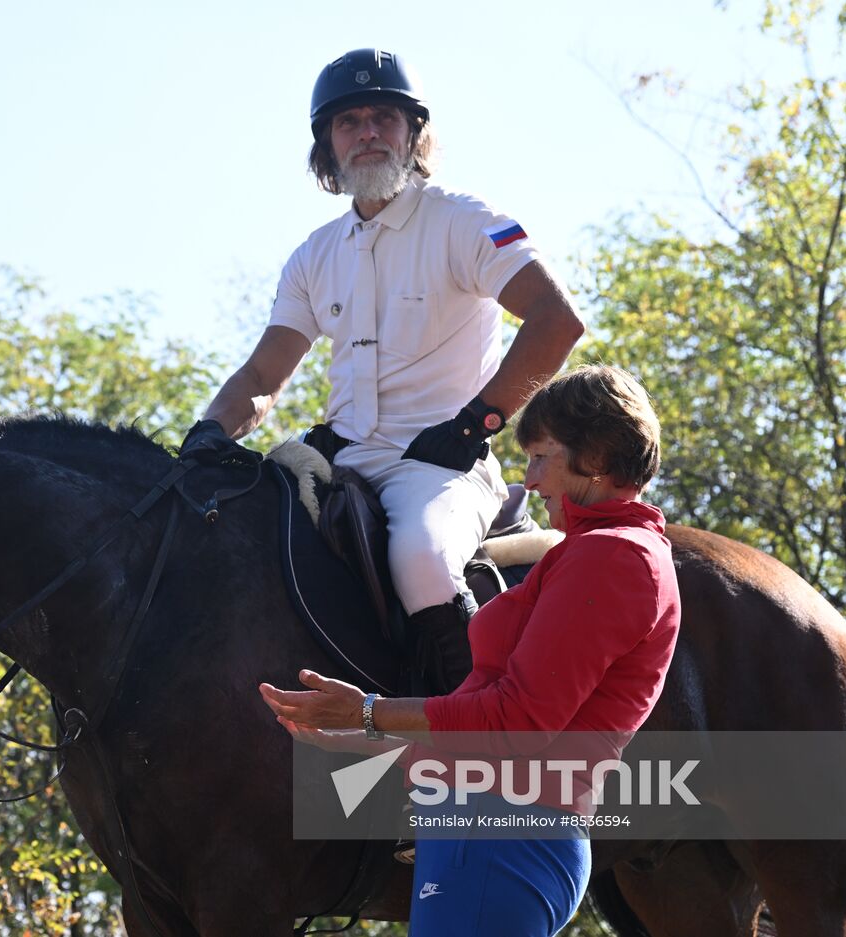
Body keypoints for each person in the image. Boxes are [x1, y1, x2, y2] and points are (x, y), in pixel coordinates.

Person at [178, 48, 585, 694]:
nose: (367, 132)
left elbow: (555, 319)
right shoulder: (313, 256)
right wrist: (209, 433)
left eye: (383, 118)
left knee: (420, 560)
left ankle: (471, 747)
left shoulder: (463, 219)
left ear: (414, 133)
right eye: (348, 122)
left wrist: (478, 420)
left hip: (441, 465)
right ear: (327, 148)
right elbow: (263, 372)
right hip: (340, 463)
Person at [259, 365, 682, 936]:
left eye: (541, 457)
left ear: (599, 457)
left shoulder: (613, 556)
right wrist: (354, 736)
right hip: (484, 836)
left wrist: (370, 711)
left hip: (501, 838)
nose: (528, 481)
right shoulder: (591, 552)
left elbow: (515, 722)